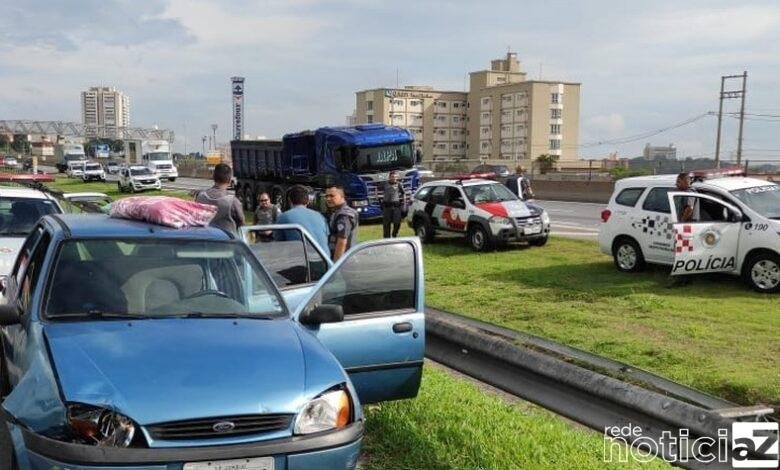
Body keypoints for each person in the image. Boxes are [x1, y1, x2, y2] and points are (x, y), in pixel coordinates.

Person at [276, 185, 330, 255]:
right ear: (308, 201)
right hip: (326, 261)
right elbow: (326, 237)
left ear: (289, 200)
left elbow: (279, 243)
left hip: (304, 262)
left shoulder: (283, 217)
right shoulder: (320, 216)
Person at [195, 163, 244, 236]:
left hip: (204, 240)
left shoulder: (200, 197)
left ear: (214, 177)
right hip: (226, 243)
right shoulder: (233, 201)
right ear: (229, 180)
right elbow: (241, 222)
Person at [325, 184, 358, 261]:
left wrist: (335, 266)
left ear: (342, 196)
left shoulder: (344, 215)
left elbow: (342, 242)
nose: (328, 199)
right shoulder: (336, 212)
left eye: (332, 196)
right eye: (326, 196)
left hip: (344, 262)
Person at [381, 171, 405, 238]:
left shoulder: (399, 184)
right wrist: (379, 199)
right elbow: (377, 189)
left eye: (395, 177)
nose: (393, 178)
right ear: (389, 177)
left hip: (396, 206)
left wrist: (404, 203)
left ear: (397, 177)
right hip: (387, 207)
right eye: (392, 177)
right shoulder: (385, 184)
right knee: (386, 224)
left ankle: (395, 234)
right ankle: (386, 238)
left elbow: (403, 193)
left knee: (397, 222)